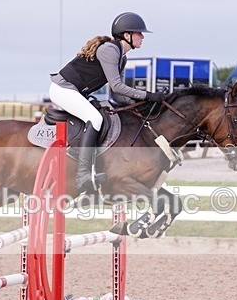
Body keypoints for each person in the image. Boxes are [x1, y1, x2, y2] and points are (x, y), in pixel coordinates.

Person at [49, 12, 163, 194]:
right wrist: (147, 95)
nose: (142, 37)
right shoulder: (110, 50)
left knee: (105, 114)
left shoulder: (121, 57)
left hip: (76, 92)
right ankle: (83, 174)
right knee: (95, 118)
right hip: (63, 89)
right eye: (139, 33)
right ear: (127, 35)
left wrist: (145, 104)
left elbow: (118, 96)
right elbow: (117, 87)